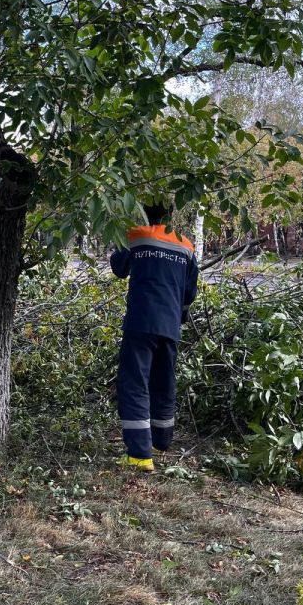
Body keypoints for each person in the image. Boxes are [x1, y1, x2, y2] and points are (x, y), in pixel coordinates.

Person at [109, 202, 199, 472]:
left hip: (140, 322)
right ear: (171, 213)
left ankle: (139, 454)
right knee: (164, 381)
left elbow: (118, 268)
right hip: (170, 326)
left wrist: (120, 235)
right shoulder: (186, 244)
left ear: (142, 212)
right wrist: (178, 317)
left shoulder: (136, 236)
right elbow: (189, 293)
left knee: (135, 383)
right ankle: (161, 441)